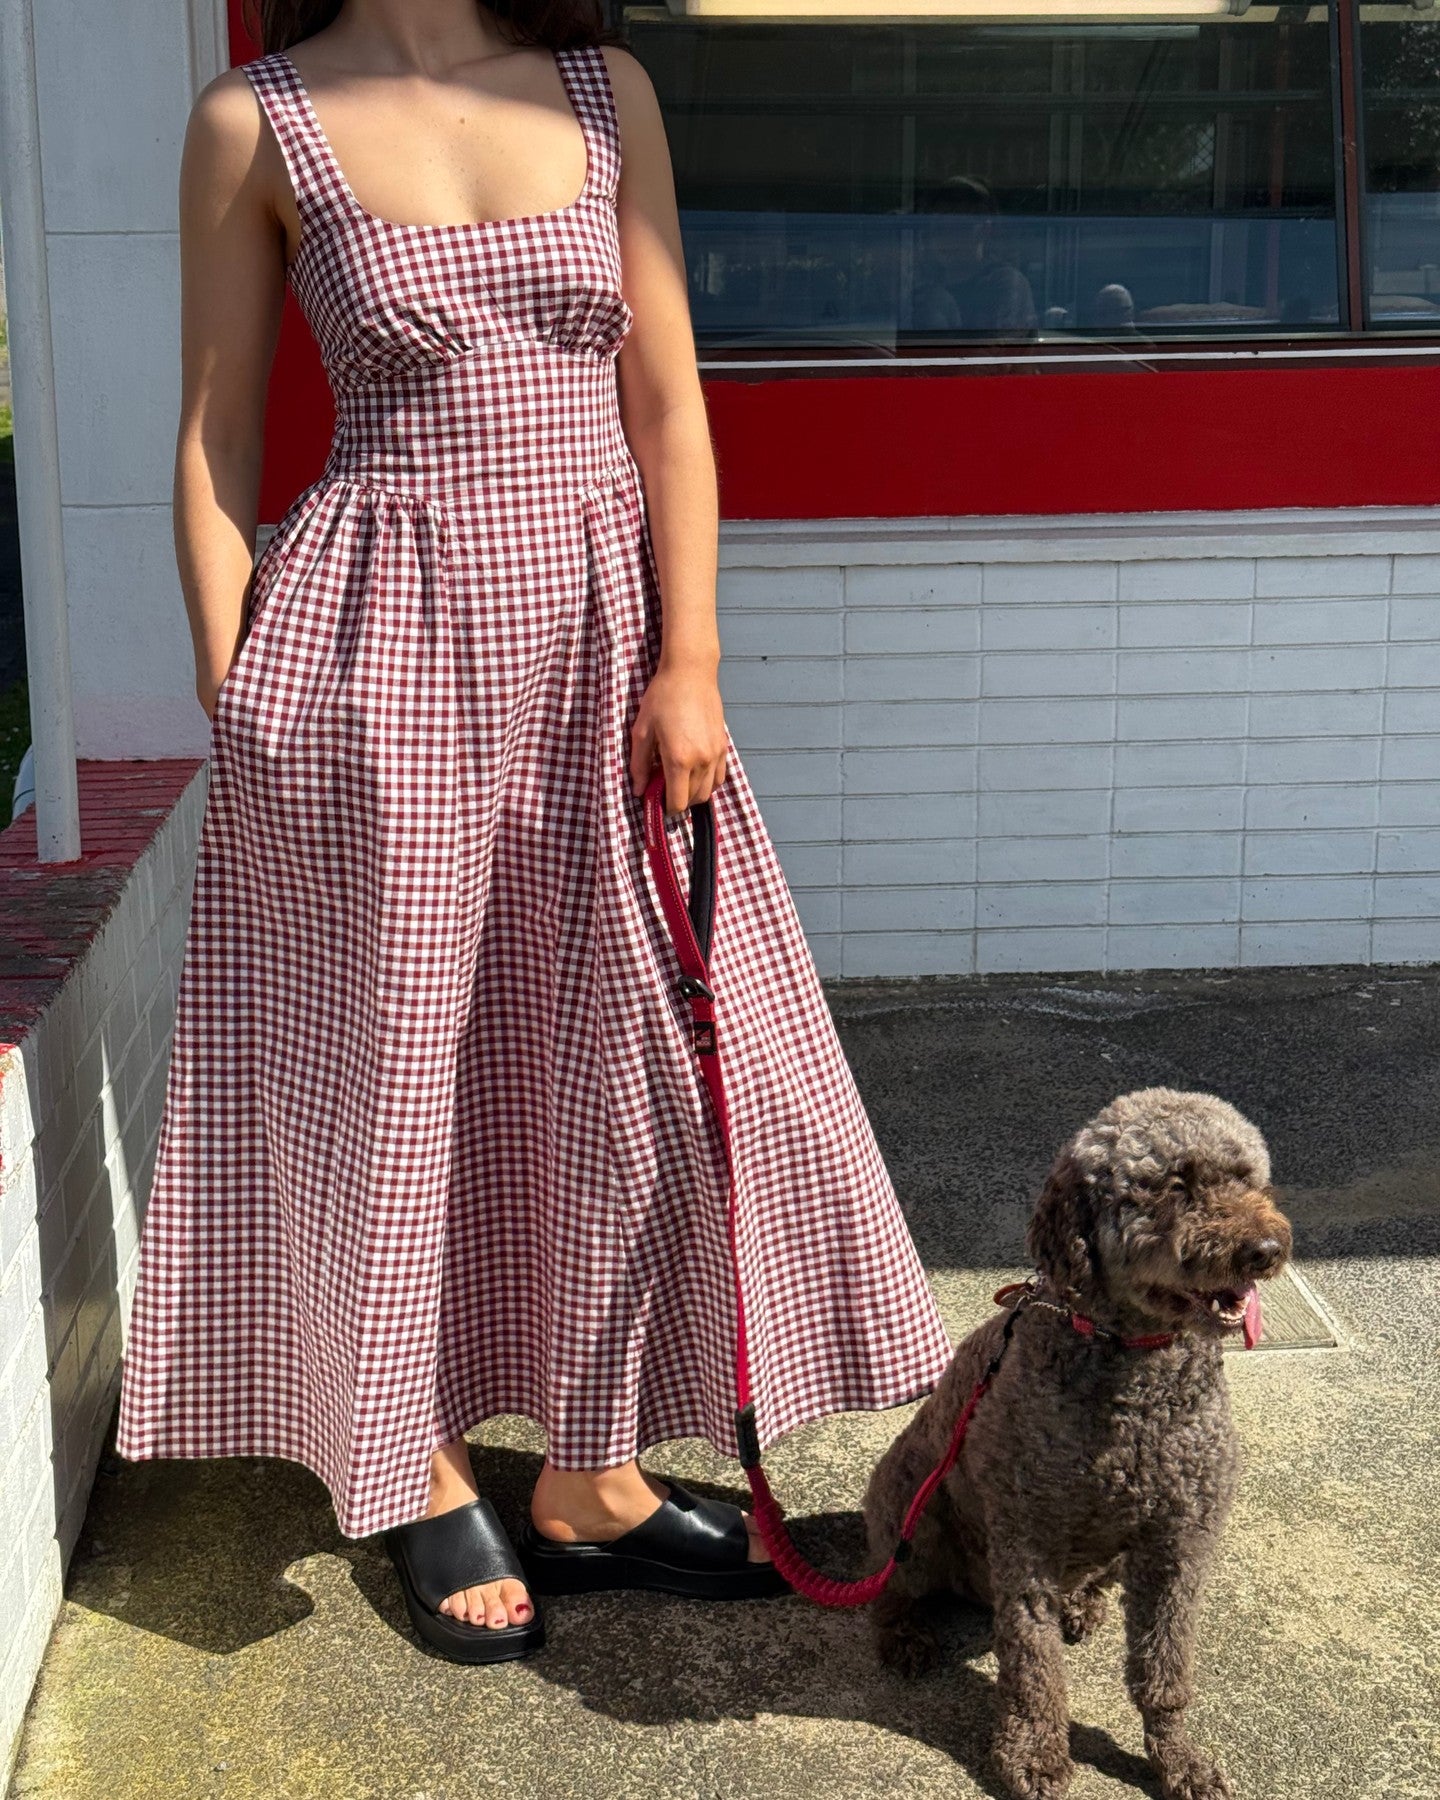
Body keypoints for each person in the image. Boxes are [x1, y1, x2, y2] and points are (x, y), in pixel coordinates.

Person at [115, 0, 953, 1666]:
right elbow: (216, 434)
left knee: (622, 1059)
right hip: (378, 646)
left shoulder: (602, 88)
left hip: (597, 642)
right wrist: (243, 689)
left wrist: (691, 654)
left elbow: (669, 400)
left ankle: (590, 1476)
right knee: (393, 1067)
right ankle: (414, 1454)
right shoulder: (253, 119)